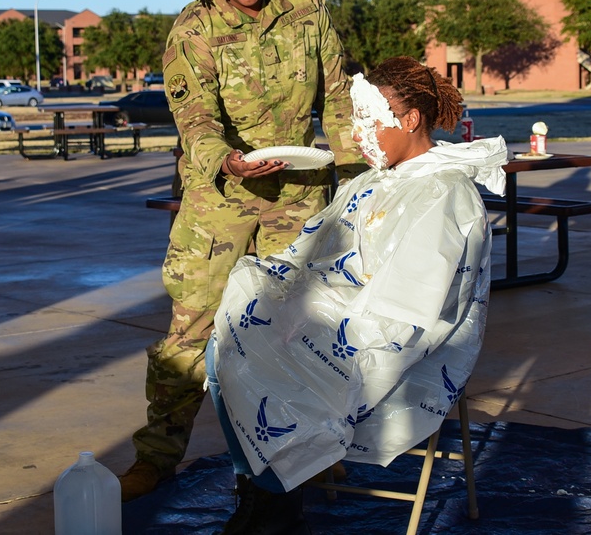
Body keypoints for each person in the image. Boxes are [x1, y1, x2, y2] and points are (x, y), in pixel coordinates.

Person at [119, 0, 364, 502]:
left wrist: (357, 181)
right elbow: (195, 121)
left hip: (299, 193)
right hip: (220, 199)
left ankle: (301, 450)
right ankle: (156, 457)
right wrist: (226, 160)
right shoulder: (192, 30)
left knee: (295, 329)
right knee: (192, 331)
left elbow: (338, 99)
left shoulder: (305, 8)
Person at [206, 56, 507, 532]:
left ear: (409, 121)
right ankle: (265, 493)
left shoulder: (444, 194)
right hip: (337, 319)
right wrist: (282, 299)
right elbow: (310, 253)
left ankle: (274, 500)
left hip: (396, 342)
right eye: (355, 121)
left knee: (259, 357)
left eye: (368, 121)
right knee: (232, 331)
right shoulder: (372, 182)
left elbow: (412, 309)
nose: (358, 134)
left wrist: (308, 323)